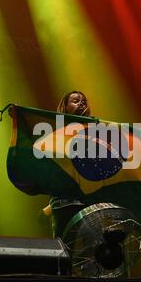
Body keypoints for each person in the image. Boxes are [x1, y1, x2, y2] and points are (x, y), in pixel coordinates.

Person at [45, 91, 92, 238]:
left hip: (89, 205)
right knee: (64, 252)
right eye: (75, 101)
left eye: (83, 101)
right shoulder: (55, 132)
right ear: (64, 107)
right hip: (64, 205)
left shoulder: (95, 133)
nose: (81, 103)